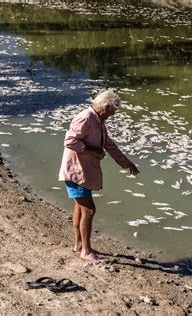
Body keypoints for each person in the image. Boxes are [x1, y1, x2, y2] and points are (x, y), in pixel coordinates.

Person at [58, 89, 140, 261]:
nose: (113, 114)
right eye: (113, 110)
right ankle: (86, 251)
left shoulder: (98, 121)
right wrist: (93, 150)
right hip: (75, 171)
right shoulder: (86, 118)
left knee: (80, 208)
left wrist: (126, 163)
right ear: (106, 106)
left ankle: (79, 244)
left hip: (82, 171)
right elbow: (70, 141)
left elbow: (108, 145)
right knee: (89, 210)